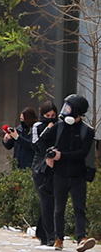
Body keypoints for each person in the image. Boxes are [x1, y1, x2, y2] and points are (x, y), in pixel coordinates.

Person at [37, 94, 97, 250]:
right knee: (58, 209)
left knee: (79, 208)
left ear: (77, 111)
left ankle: (81, 238)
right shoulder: (58, 126)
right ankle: (59, 238)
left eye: (68, 108)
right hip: (59, 174)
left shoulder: (87, 131)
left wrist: (61, 155)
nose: (65, 111)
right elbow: (41, 141)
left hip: (78, 175)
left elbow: (82, 153)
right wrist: (48, 156)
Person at [33, 103, 59, 247]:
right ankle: (50, 235)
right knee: (46, 200)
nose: (50, 119)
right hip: (40, 166)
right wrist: (47, 131)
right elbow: (36, 144)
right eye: (47, 116)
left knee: (54, 201)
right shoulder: (38, 126)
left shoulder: (59, 126)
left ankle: (44, 232)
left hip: (55, 166)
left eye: (52, 116)